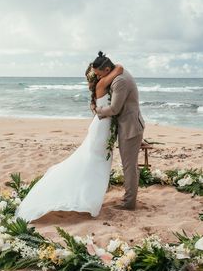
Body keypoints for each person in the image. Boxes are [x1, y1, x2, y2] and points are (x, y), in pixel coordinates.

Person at [15, 61, 123, 222]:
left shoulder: (100, 85)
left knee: (96, 162)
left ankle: (89, 197)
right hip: (101, 130)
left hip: (104, 128)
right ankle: (88, 199)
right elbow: (119, 68)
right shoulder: (101, 85)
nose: (101, 75)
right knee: (95, 163)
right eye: (99, 74)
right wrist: (107, 67)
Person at [94, 51, 145, 210]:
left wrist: (98, 110)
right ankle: (130, 199)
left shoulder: (120, 81)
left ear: (107, 70)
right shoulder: (119, 73)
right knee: (131, 165)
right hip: (131, 124)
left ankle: (129, 203)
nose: (98, 78)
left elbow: (115, 108)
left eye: (99, 74)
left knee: (129, 166)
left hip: (130, 128)